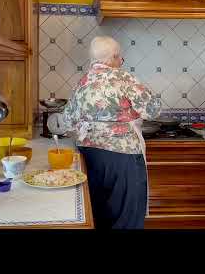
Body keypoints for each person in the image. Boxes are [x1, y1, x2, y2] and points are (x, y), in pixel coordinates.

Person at [61, 36, 162, 229]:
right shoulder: (124, 78)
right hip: (123, 157)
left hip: (89, 156)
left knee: (97, 215)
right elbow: (152, 110)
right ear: (114, 57)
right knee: (126, 219)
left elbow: (67, 122)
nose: (120, 62)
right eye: (120, 58)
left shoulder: (82, 82)